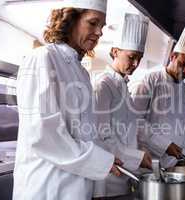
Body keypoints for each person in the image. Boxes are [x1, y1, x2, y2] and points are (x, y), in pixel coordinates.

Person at [13, 1, 122, 200]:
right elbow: (43, 134)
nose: (99, 32)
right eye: (93, 23)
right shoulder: (42, 59)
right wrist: (100, 161)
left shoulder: (82, 73)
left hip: (78, 190)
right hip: (46, 187)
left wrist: (109, 162)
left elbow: (86, 135)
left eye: (102, 26)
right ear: (70, 20)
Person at [130, 24, 185, 168]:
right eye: (183, 64)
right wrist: (164, 144)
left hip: (177, 161)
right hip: (152, 160)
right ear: (172, 57)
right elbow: (135, 121)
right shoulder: (150, 81)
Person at [91, 13, 152, 199]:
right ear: (115, 51)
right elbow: (100, 136)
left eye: (139, 58)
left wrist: (141, 151)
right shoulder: (103, 85)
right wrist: (136, 157)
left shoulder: (122, 85)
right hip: (108, 180)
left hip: (125, 174)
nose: (135, 64)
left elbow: (131, 126)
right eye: (132, 57)